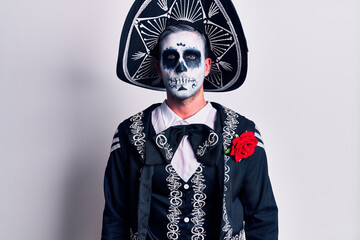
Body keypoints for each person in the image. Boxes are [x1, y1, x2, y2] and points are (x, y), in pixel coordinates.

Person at [101, 0, 278, 239]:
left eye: (192, 57)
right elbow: (115, 219)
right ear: (159, 66)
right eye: (171, 57)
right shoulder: (129, 135)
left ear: (207, 66)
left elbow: (263, 217)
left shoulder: (244, 133)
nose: (181, 68)